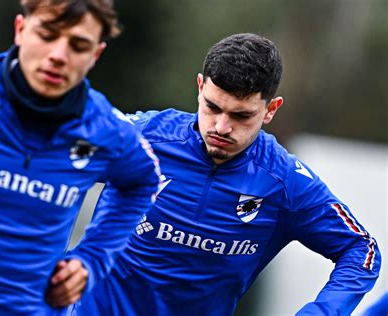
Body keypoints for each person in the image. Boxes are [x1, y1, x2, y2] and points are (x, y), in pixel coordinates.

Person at [63, 33, 381, 315]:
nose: (221, 127)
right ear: (200, 87)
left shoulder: (285, 183)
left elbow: (361, 248)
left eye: (241, 116)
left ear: (271, 110)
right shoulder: (142, 137)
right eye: (213, 107)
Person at [0, 0, 160, 314]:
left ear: (95, 55)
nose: (58, 55)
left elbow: (143, 182)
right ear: (20, 29)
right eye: (47, 35)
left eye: (78, 45)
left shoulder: (107, 131)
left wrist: (91, 260)